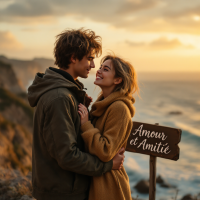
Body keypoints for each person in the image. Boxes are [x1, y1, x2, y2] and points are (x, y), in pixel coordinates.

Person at [27, 28, 125, 200]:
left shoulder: (65, 93)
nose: (93, 66)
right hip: (63, 193)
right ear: (73, 58)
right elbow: (67, 156)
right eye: (89, 59)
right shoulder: (60, 98)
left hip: (60, 189)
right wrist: (108, 165)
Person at [78, 55, 139, 200]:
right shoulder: (102, 106)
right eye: (100, 67)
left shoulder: (119, 108)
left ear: (118, 80)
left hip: (108, 186)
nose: (98, 71)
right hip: (97, 180)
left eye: (105, 69)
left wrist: (86, 124)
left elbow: (106, 151)